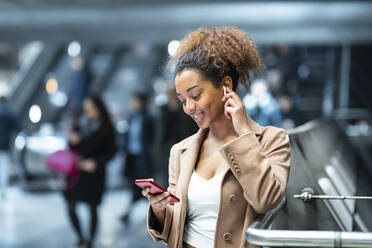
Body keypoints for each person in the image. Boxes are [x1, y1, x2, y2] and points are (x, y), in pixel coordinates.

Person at [142, 27, 291, 248]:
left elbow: (266, 200)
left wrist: (243, 133)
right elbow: (173, 228)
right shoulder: (181, 152)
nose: (189, 107)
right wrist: (159, 208)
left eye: (195, 95)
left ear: (226, 85)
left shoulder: (272, 140)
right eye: (183, 100)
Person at [65, 95, 116, 248]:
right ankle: (80, 236)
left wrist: (96, 163)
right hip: (77, 172)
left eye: (90, 108)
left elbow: (111, 152)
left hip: (95, 174)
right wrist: (72, 141)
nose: (87, 111)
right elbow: (72, 147)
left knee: (93, 208)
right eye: (85, 108)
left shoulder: (107, 127)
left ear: (98, 108)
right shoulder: (80, 123)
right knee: (70, 205)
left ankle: (90, 241)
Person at [120, 92, 154, 225]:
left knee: (146, 188)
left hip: (144, 157)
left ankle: (158, 216)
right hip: (132, 156)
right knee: (137, 188)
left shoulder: (149, 118)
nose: (133, 104)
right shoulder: (131, 117)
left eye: (135, 101)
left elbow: (152, 139)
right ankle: (128, 214)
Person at [0, 96, 21, 199]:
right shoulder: (8, 113)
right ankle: (3, 191)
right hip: (4, 146)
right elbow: (18, 127)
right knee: (3, 169)